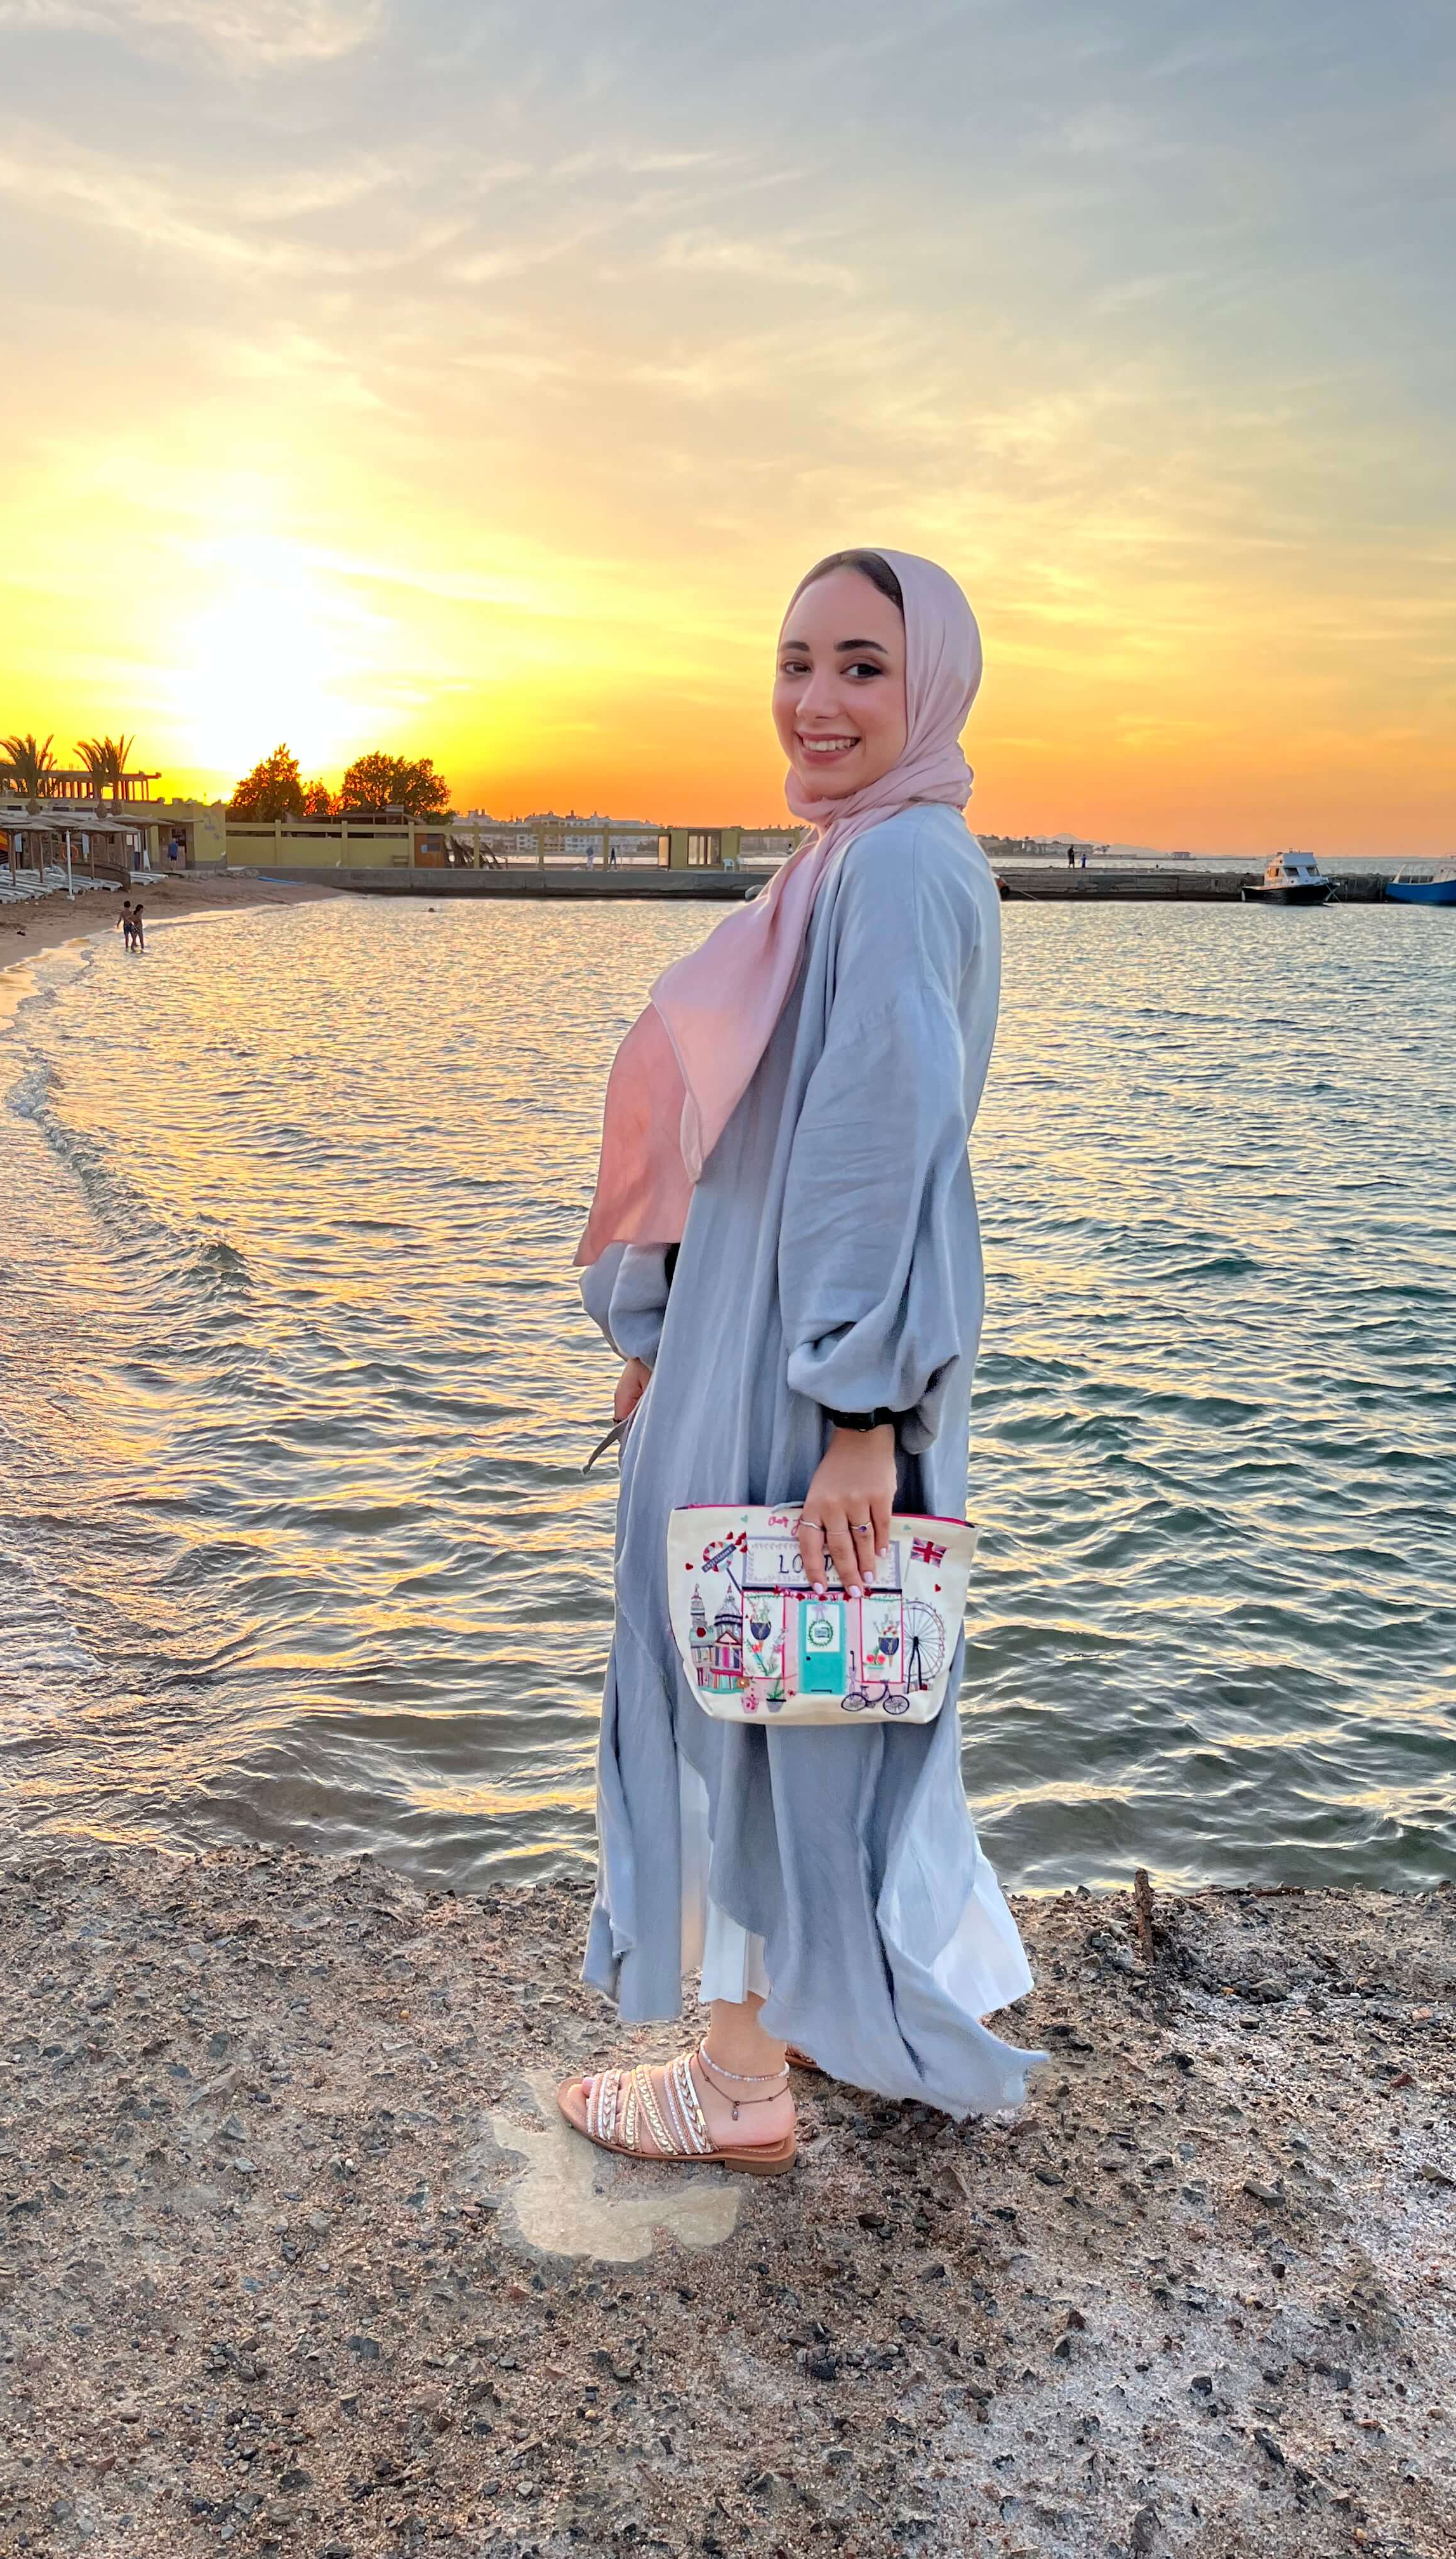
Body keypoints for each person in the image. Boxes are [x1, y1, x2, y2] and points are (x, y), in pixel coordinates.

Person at [561, 548, 1042, 2176]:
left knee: (778, 1695)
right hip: (759, 1339)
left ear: (932, 692)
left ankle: (741, 2083)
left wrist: (858, 1414)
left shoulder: (901, 867)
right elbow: (756, 1132)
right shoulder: (844, 865)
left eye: (861, 669)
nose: (816, 702)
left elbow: (874, 1149)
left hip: (815, 1367)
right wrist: (671, 1329)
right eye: (795, 663)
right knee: (776, 1679)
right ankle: (801, 2015)